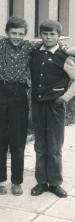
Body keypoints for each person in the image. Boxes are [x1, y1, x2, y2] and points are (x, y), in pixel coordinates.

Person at [0, 16, 74, 196]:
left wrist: (64, 47)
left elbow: (51, 46)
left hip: (20, 93)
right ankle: (1, 180)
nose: (16, 37)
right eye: (13, 33)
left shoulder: (30, 46)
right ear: (7, 32)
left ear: (25, 35)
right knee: (0, 138)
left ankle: (17, 181)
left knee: (18, 139)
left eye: (20, 34)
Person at [30, 19, 75, 198]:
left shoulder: (64, 56)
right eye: (45, 34)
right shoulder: (35, 53)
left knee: (55, 146)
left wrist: (64, 97)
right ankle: (41, 182)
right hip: (37, 104)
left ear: (58, 36)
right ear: (40, 35)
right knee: (40, 145)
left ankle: (55, 183)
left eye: (52, 34)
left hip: (55, 106)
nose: (48, 37)